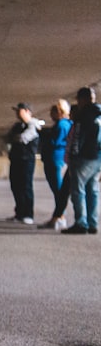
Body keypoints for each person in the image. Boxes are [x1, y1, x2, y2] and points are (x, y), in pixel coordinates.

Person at [61, 86, 101, 235]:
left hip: (84, 157)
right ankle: (92, 223)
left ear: (82, 99)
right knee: (93, 190)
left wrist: (73, 155)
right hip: (98, 157)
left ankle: (80, 223)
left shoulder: (83, 115)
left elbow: (77, 137)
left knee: (78, 190)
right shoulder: (99, 114)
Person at [38, 98, 72, 230]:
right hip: (56, 158)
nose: (51, 114)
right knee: (58, 189)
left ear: (60, 111)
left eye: (54, 111)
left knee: (58, 190)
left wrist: (44, 137)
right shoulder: (66, 124)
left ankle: (59, 216)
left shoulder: (62, 125)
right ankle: (58, 216)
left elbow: (55, 142)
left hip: (54, 158)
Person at [5, 103, 40, 224]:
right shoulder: (17, 126)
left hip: (27, 160)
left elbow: (23, 138)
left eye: (19, 111)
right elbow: (9, 137)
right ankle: (19, 213)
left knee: (26, 186)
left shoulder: (33, 125)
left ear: (27, 111)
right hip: (15, 159)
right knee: (16, 186)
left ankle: (28, 214)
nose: (17, 113)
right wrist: (15, 137)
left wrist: (16, 137)